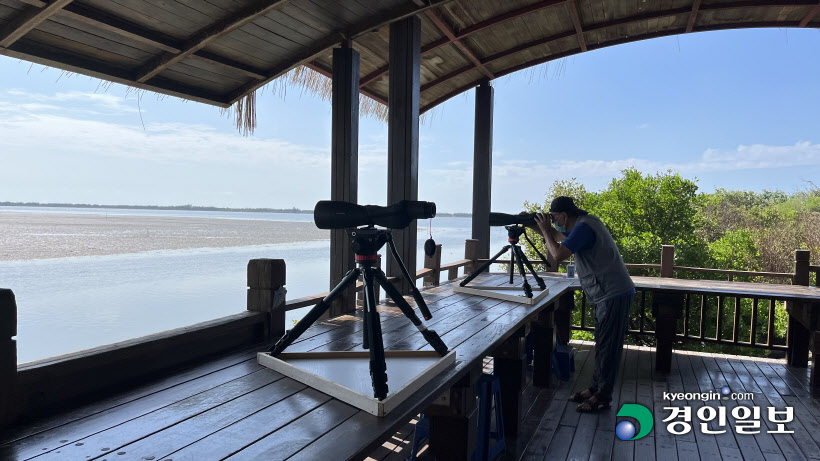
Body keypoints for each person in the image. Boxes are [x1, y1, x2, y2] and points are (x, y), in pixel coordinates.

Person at [531, 196, 635, 412]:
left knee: (608, 349)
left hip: (613, 293)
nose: (553, 221)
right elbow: (557, 235)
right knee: (602, 345)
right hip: (606, 294)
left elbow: (558, 253)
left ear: (564, 215)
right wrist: (535, 226)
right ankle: (595, 388)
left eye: (553, 217)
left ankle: (603, 397)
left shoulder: (584, 227)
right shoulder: (583, 224)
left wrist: (546, 229)